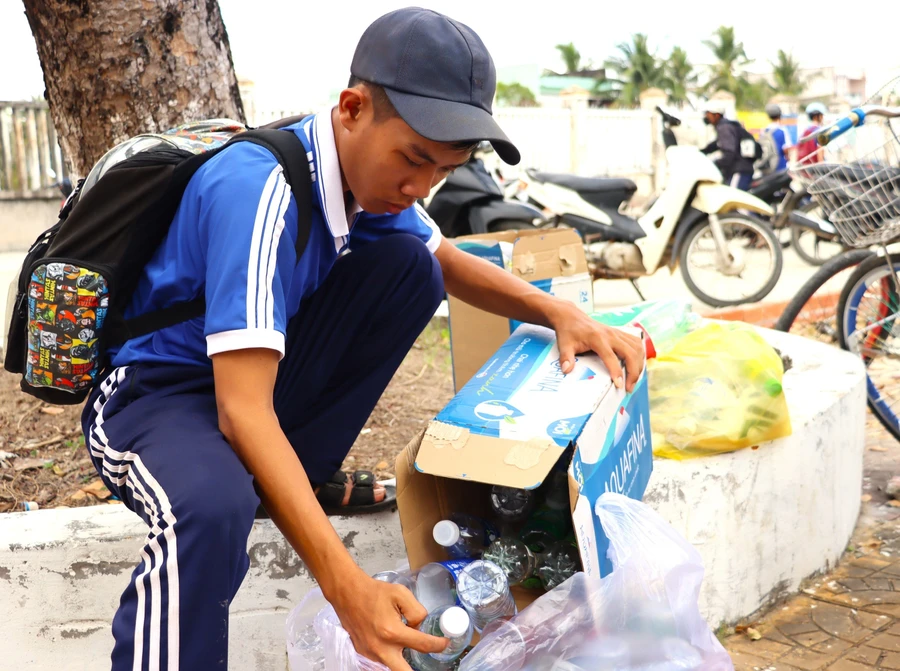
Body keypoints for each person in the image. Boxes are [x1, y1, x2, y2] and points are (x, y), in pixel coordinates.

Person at [81, 7, 645, 671]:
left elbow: (441, 258)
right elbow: (241, 410)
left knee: (410, 266)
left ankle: (291, 480)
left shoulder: (364, 185)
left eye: (442, 170)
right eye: (412, 160)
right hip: (155, 396)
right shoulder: (258, 190)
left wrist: (559, 314)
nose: (419, 187)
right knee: (211, 505)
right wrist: (347, 586)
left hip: (250, 388)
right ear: (352, 108)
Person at [700, 102, 755, 190]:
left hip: (739, 170)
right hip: (740, 169)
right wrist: (701, 151)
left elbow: (729, 152)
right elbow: (715, 145)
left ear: (716, 115)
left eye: (708, 114)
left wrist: (715, 164)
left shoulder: (724, 127)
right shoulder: (727, 126)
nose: (706, 117)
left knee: (733, 199)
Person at [762, 103, 795, 172]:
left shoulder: (764, 131)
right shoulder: (782, 130)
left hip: (768, 164)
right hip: (780, 164)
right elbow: (786, 148)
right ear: (779, 115)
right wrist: (789, 158)